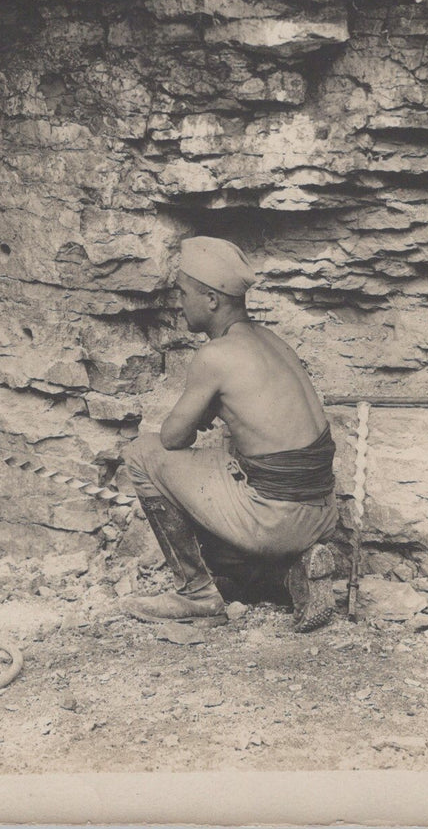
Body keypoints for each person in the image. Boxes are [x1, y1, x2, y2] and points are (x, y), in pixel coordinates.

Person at [118, 236, 340, 632]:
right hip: (322, 513)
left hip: (276, 520)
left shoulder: (215, 356)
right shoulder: (272, 341)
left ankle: (196, 594)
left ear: (211, 299)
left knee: (141, 453)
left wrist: (201, 414)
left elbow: (171, 439)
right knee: (227, 458)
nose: (179, 302)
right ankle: (291, 575)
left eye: (184, 293)